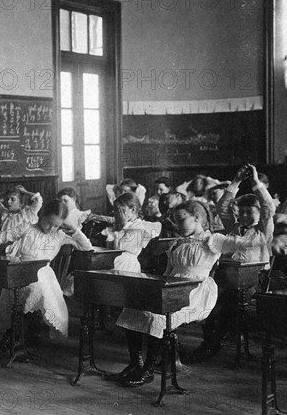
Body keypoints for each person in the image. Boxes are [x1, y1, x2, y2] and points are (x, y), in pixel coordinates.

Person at [113, 200, 267, 387]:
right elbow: (167, 273)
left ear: (196, 218)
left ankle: (148, 370)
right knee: (132, 310)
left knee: (156, 318)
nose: (178, 225)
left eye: (181, 220)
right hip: (172, 288)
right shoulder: (178, 242)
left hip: (195, 292)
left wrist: (272, 237)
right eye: (175, 221)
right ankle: (134, 363)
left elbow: (245, 243)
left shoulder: (213, 240)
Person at [192, 164, 275, 361]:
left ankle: (222, 339)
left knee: (225, 304)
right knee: (209, 300)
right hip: (228, 277)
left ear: (258, 213)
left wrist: (255, 182)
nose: (245, 215)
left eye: (250, 212)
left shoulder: (263, 230)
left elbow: (268, 207)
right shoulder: (234, 227)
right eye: (242, 212)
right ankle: (211, 344)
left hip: (254, 280)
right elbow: (222, 207)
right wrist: (236, 181)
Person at [0, 200, 93, 343]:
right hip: (21, 271)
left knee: (36, 289)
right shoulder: (27, 228)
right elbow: (2, 237)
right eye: (49, 223)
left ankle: (26, 329)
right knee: (21, 291)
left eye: (57, 225)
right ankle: (16, 331)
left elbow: (86, 247)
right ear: (42, 216)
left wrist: (74, 229)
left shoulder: (59, 235)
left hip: (43, 275)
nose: (51, 229)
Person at [102, 193, 157, 272]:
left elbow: (118, 249)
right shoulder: (121, 225)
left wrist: (117, 232)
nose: (117, 214)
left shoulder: (138, 227)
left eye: (121, 211)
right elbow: (110, 249)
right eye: (116, 211)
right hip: (114, 262)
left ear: (133, 210)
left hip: (127, 265)